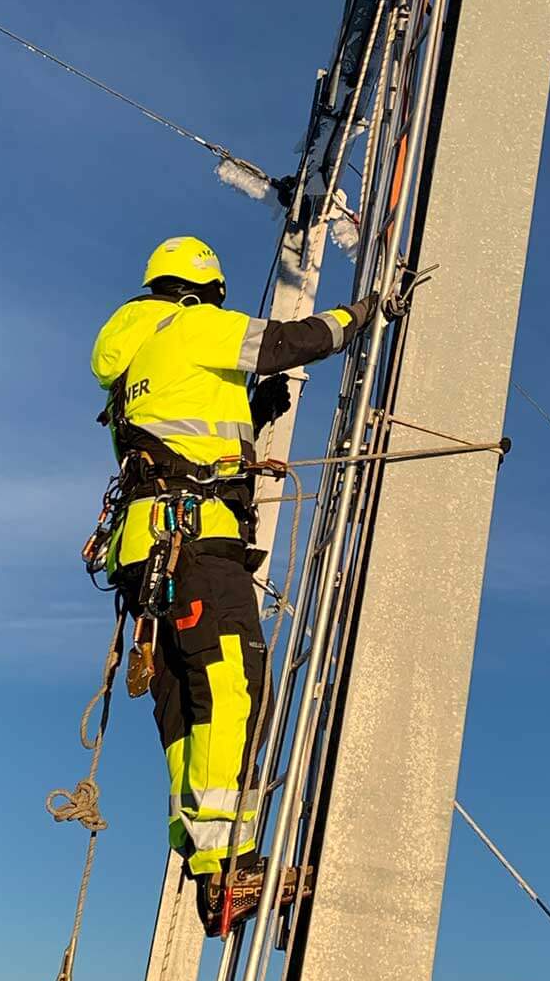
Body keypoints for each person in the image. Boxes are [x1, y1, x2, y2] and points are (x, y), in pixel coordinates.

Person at [89, 236, 374, 934]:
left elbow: (187, 429)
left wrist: (251, 407)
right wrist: (360, 315)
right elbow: (287, 340)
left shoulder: (134, 355)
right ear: (200, 291)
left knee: (187, 704)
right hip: (195, 540)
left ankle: (206, 860)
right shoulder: (194, 322)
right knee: (232, 685)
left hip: (145, 550)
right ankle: (233, 865)